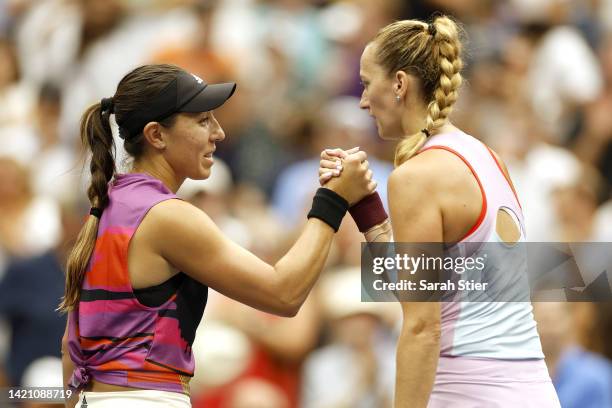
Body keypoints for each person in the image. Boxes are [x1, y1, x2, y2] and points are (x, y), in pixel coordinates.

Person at [58, 64, 375, 408]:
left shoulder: (107, 207)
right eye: (202, 120)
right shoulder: (166, 215)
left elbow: (69, 350)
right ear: (156, 135)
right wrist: (333, 200)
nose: (219, 132)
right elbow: (284, 294)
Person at [319, 15, 561, 407]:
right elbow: (427, 293)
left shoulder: (418, 175)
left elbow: (422, 327)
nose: (362, 101)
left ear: (399, 84)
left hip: (469, 394)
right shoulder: (487, 157)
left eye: (366, 84)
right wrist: (366, 209)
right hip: (532, 391)